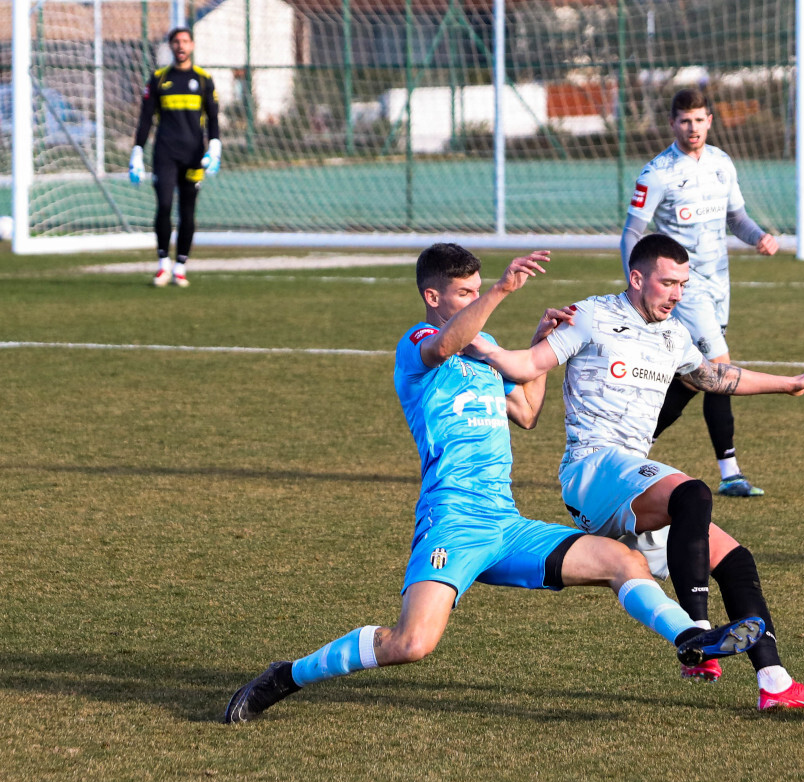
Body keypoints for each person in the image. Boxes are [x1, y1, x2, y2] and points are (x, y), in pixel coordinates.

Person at [223, 244, 764, 723]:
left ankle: (694, 639)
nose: (475, 300)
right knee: (411, 643)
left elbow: (527, 411)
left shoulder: (483, 357)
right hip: (452, 522)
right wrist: (506, 289)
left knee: (623, 562)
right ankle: (286, 675)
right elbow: (443, 347)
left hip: (505, 523)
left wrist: (542, 344)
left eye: (479, 290)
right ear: (432, 297)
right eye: (464, 293)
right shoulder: (419, 344)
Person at [467, 234, 804, 712]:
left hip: (632, 483)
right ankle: (698, 635)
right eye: (668, 283)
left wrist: (789, 383)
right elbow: (524, 365)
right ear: (637, 277)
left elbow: (714, 377)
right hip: (592, 469)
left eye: (683, 284)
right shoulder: (590, 316)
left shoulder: (674, 334)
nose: (677, 294)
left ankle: (775, 683)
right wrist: (468, 337)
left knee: (734, 559)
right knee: (692, 493)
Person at [620, 88, 779, 497]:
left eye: (699, 119)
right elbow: (632, 233)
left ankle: (630, 447)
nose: (693, 127)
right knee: (721, 368)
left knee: (695, 379)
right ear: (673, 123)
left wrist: (758, 236)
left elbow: (737, 219)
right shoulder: (657, 173)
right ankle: (730, 473)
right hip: (683, 288)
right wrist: (634, 283)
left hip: (719, 282)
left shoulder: (723, 164)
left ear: (710, 120)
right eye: (685, 120)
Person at [129, 27, 221, 288]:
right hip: (165, 154)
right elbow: (146, 118)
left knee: (188, 212)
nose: (180, 46)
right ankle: (162, 265)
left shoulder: (203, 80)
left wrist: (214, 146)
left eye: (185, 41)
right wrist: (137, 150)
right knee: (165, 206)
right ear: (170, 46)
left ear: (191, 45)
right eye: (176, 42)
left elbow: (213, 117)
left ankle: (180, 266)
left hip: (193, 156)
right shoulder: (158, 79)